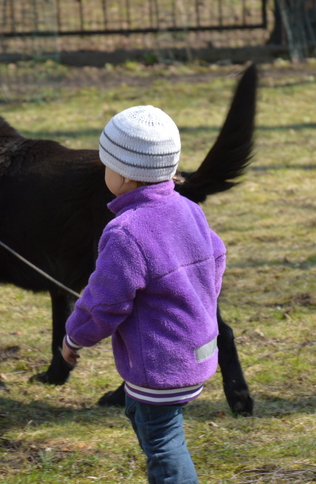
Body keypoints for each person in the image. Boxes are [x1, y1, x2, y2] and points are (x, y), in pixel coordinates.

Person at [61, 105, 225, 483]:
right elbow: (216, 258)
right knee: (145, 417)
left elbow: (104, 303)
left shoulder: (126, 232)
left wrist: (73, 338)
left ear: (121, 173)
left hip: (160, 365)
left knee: (164, 442)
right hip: (198, 349)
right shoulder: (187, 209)